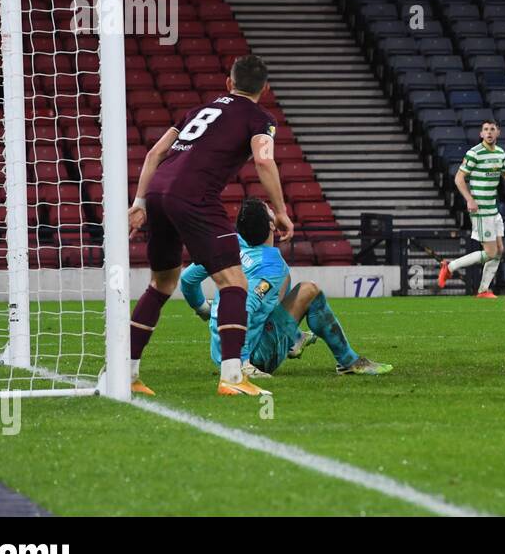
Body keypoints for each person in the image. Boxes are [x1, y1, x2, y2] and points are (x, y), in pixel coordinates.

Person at [126, 54, 292, 396]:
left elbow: (154, 153)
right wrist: (281, 210)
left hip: (158, 192)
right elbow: (263, 159)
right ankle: (232, 378)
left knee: (161, 284)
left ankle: (127, 374)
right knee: (234, 283)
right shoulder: (259, 118)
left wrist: (139, 203)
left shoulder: (198, 111)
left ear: (228, 83)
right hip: (194, 196)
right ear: (266, 88)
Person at [181, 199, 391, 381]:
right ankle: (349, 361)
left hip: (220, 352)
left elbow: (187, 279)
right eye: (271, 211)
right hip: (251, 356)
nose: (275, 211)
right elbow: (245, 308)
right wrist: (242, 363)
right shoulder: (271, 267)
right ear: (271, 225)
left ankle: (295, 337)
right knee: (309, 291)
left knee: (282, 286)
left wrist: (204, 310)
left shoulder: (229, 243)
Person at [438, 120, 505, 298]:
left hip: (493, 209)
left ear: (498, 132)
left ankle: (483, 290)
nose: (489, 132)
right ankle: (450, 266)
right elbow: (459, 178)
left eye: (492, 129)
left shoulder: (499, 153)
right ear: (481, 134)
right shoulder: (474, 153)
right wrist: (469, 199)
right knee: (491, 252)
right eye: (485, 129)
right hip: (480, 209)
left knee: (499, 251)